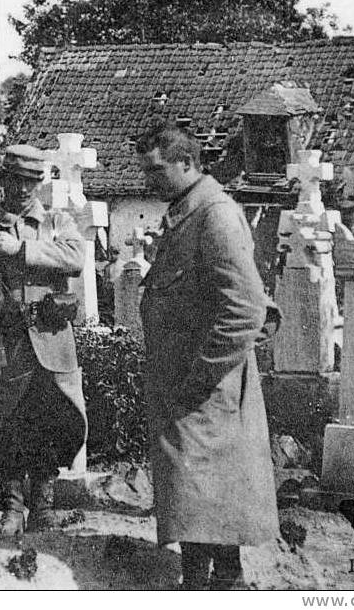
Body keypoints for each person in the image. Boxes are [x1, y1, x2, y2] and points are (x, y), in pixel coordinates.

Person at [134, 124, 280, 590]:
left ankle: (210, 583)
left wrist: (201, 374)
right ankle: (213, 578)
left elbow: (245, 308)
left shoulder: (215, 215)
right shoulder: (186, 211)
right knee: (201, 484)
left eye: (156, 171)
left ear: (187, 164)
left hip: (206, 381)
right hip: (187, 376)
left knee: (200, 481)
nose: (148, 182)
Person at [0, 143, 87, 536]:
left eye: (31, 181)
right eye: (15, 180)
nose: (22, 189)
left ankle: (43, 509)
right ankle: (12, 509)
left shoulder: (55, 223)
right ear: (3, 182)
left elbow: (76, 258)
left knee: (50, 423)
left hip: (50, 338)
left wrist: (21, 249)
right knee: (6, 426)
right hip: (6, 342)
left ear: (40, 182)